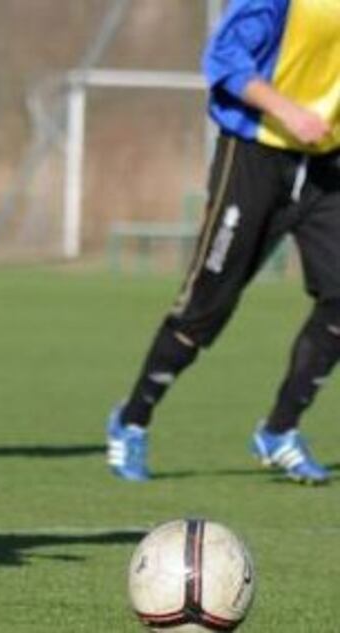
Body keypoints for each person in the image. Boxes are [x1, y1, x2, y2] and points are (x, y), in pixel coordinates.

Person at [106, 0, 339, 485]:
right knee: (206, 305)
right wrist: (288, 111)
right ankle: (132, 420)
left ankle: (279, 431)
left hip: (324, 168)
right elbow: (225, 59)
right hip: (254, 156)